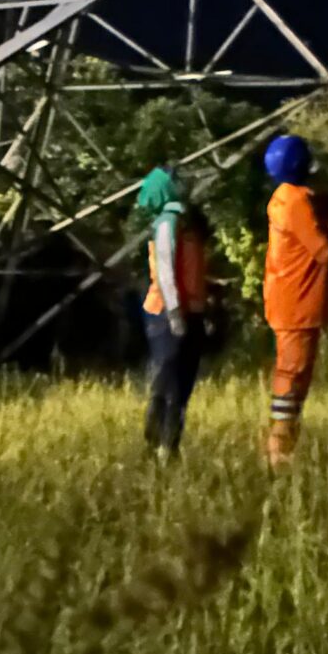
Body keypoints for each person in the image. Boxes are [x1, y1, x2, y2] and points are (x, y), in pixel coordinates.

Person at [260, 132, 328, 471]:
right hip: (297, 304)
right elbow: (324, 252)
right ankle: (279, 452)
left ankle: (284, 446)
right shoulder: (296, 202)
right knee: (291, 375)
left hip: (288, 302)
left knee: (295, 375)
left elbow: (310, 239)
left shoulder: (283, 197)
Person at [139, 165, 211, 460]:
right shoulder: (168, 223)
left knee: (181, 386)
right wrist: (175, 316)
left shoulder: (184, 222)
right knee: (169, 385)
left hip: (187, 313)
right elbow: (166, 273)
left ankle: (168, 446)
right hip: (168, 315)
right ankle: (159, 445)